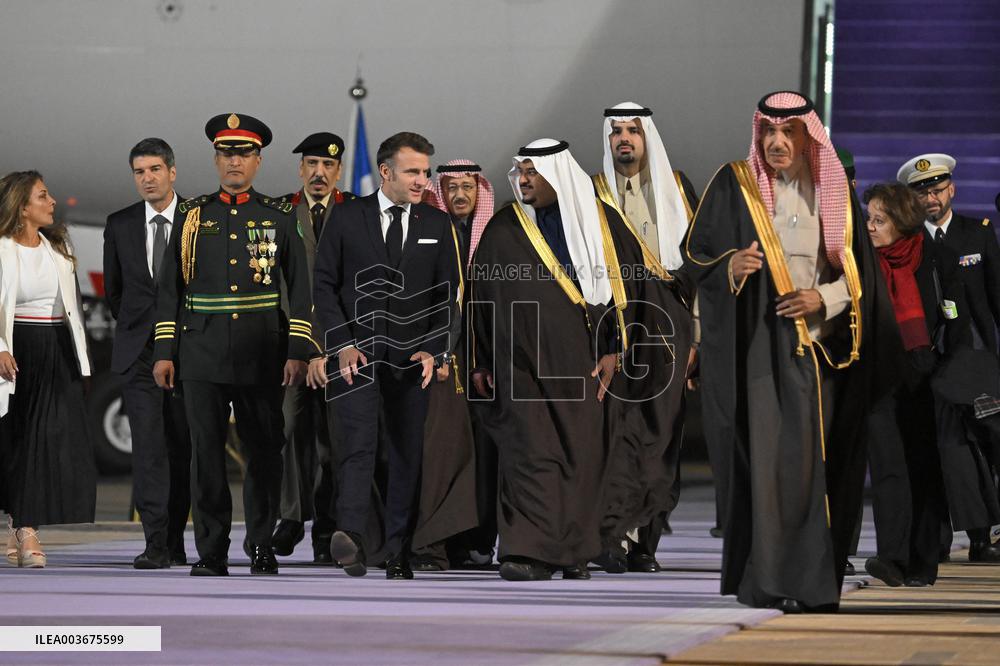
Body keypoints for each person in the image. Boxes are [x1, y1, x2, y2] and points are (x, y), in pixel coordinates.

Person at [683, 91, 878, 612]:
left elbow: (861, 278)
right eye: (767, 132)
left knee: (813, 472)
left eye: (787, 132)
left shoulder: (832, 192)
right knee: (770, 475)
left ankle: (810, 583)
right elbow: (692, 256)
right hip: (757, 356)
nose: (774, 142)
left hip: (819, 356)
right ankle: (774, 582)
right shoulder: (735, 185)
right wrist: (729, 267)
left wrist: (824, 297)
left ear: (807, 137)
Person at [470, 139, 690, 582]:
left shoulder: (603, 224)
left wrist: (616, 351)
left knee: (581, 460)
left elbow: (630, 295)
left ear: (559, 176)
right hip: (520, 370)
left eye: (534, 172)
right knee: (528, 456)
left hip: (585, 370)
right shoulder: (504, 229)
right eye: (522, 172)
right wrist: (479, 361)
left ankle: (571, 551)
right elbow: (479, 300)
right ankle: (524, 552)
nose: (525, 180)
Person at [152, 113, 314, 577]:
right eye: (227, 153)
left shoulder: (278, 216)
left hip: (262, 352)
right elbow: (170, 289)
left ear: (258, 160)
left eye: (243, 154)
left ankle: (262, 546)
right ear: (216, 158)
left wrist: (297, 351)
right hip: (200, 352)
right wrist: (165, 351)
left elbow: (300, 290)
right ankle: (212, 552)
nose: (234, 162)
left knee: (264, 453)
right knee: (205, 456)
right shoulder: (191, 214)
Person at [313, 132, 458, 580]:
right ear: (386, 172)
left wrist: (435, 349)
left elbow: (449, 298)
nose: (422, 181)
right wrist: (341, 345)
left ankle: (398, 551)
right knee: (356, 449)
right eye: (413, 171)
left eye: (425, 172)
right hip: (356, 358)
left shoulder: (437, 225)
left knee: (405, 455)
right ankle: (352, 538)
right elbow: (324, 285)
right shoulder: (346, 216)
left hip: (412, 363)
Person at [593, 102, 699, 572]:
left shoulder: (677, 188)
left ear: (646, 136)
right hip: (614, 324)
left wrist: (697, 340)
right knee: (617, 436)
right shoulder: (594, 195)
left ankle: (646, 542)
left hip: (670, 323)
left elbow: (700, 269)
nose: (624, 139)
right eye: (616, 131)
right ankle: (612, 535)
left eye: (633, 130)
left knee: (662, 435)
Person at [898, 153, 1000, 562]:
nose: (931, 198)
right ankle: (953, 536)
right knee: (944, 448)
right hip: (927, 359)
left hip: (973, 358)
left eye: (938, 189)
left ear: (952, 189)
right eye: (922, 192)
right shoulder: (907, 242)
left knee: (979, 443)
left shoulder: (978, 235)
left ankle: (982, 533)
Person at [862, 183, 957, 587]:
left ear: (901, 222)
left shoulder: (931, 256)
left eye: (879, 220)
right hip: (879, 369)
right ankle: (892, 558)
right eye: (869, 218)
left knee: (924, 465)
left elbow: (956, 314)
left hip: (925, 368)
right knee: (887, 465)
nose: (870, 226)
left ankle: (923, 560)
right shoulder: (864, 263)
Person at [104, 138, 192, 569]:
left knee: (184, 449)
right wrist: (145, 334)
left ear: (172, 172)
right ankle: (155, 543)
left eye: (155, 169)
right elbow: (116, 294)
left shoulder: (200, 218)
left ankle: (176, 541)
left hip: (189, 354)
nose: (148, 178)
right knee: (149, 450)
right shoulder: (119, 224)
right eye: (140, 172)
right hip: (139, 354)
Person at [0, 170, 96, 568]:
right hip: (16, 351)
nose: (52, 201)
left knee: (48, 440)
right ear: (22, 207)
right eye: (43, 196)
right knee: (18, 440)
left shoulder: (57, 248)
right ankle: (22, 526)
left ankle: (25, 528)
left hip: (55, 350)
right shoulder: (2, 250)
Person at [272, 131, 355, 564]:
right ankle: (289, 517)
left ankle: (326, 530)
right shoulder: (281, 212)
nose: (319, 172)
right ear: (300, 169)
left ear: (338, 171)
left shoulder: (353, 212)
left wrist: (336, 345)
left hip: (341, 350)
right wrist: (300, 348)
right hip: (292, 350)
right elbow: (275, 286)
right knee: (285, 433)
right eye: (312, 164)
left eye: (328, 165)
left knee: (333, 445)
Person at [410, 160, 496, 571]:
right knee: (443, 455)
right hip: (444, 362)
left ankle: (477, 541)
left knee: (485, 458)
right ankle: (438, 541)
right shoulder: (430, 233)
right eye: (452, 188)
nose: (460, 195)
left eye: (468, 187)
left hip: (488, 366)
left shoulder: (494, 240)